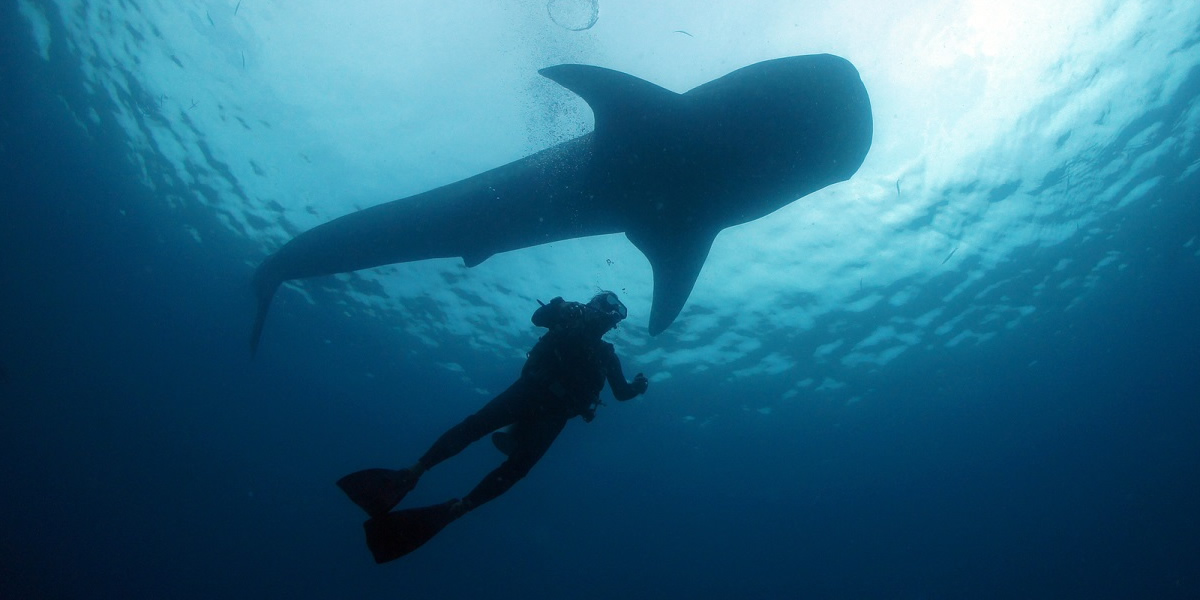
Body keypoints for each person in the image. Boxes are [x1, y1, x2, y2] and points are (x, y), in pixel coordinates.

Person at [337, 290, 650, 562]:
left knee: (516, 467)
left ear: (614, 325)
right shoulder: (567, 318)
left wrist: (636, 387)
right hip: (531, 392)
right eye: (606, 306)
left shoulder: (606, 354)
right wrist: (560, 306)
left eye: (616, 314)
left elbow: (621, 392)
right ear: (592, 305)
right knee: (476, 429)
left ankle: (460, 507)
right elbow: (538, 318)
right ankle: (412, 473)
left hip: (554, 414)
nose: (609, 315)